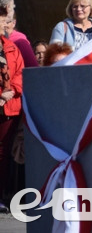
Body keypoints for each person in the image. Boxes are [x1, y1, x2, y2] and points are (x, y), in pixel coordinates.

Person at [0, 25, 23, 211]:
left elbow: (20, 74)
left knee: (2, 153)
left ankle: (1, 195)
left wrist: (12, 91)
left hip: (7, 107)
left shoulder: (11, 47)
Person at [0, 0, 36, 69]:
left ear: (14, 23)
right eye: (2, 21)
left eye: (7, 22)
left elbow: (33, 68)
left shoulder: (20, 42)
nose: (4, 25)